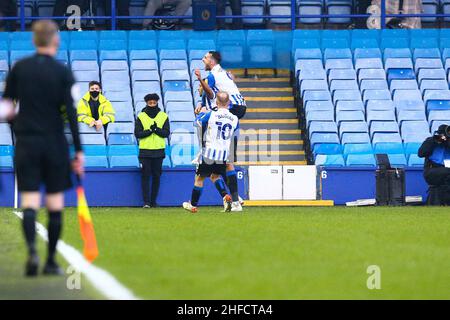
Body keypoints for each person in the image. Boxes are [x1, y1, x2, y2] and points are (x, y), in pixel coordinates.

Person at [0, 20, 84, 276]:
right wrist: (78, 151)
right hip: (55, 145)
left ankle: (32, 254)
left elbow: (5, 109)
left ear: (35, 40)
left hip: (27, 144)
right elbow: (71, 113)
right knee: (55, 204)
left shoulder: (19, 68)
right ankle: (50, 262)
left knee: (29, 202)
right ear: (55, 41)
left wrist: (19, 130)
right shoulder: (63, 72)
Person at [195, 51, 246, 211]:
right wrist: (201, 102)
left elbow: (209, 93)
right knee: (223, 160)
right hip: (237, 108)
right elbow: (211, 95)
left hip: (233, 108)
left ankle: (236, 200)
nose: (203, 59)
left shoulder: (212, 75)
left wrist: (200, 83)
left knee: (223, 160)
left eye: (205, 57)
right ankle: (232, 198)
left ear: (211, 60)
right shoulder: (222, 73)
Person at [183, 92, 237, 213]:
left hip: (209, 152)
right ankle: (225, 196)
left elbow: (197, 123)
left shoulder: (212, 114)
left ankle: (193, 205)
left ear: (216, 103)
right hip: (223, 154)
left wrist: (201, 113)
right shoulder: (235, 119)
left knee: (199, 179)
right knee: (215, 176)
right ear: (228, 103)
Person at [135, 94, 170, 208]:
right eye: (150, 103)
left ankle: (153, 201)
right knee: (145, 176)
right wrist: (150, 130)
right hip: (145, 151)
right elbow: (137, 134)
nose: (152, 105)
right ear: (146, 103)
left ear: (157, 103)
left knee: (156, 176)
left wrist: (157, 130)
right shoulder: (141, 116)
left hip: (159, 151)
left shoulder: (163, 116)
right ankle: (146, 202)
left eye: (154, 103)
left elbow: (166, 133)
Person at [418, 124, 450, 205]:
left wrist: (447, 141)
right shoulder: (431, 141)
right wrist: (436, 140)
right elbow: (421, 153)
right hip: (432, 170)